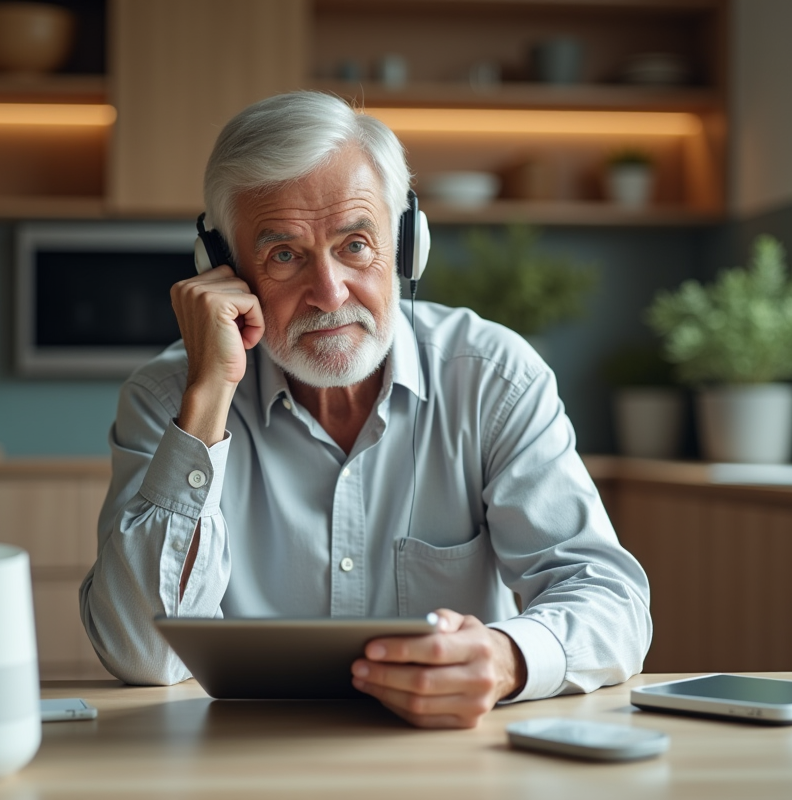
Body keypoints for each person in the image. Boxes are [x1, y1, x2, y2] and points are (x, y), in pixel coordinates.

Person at [79, 90, 651, 729]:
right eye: (284, 255)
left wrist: (506, 658)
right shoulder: (169, 400)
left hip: (452, 756)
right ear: (224, 270)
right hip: (245, 755)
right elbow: (144, 653)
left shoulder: (494, 379)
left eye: (355, 244)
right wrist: (209, 395)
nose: (328, 294)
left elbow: (611, 600)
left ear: (407, 246)